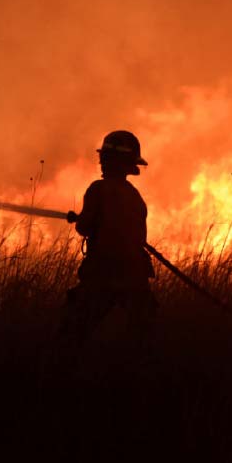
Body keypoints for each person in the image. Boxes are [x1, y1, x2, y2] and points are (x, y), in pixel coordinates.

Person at [61, 130, 157, 344]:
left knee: (72, 334)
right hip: (135, 275)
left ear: (106, 160)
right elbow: (138, 234)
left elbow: (84, 228)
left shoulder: (98, 189)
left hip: (103, 273)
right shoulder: (134, 195)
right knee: (141, 339)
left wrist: (84, 220)